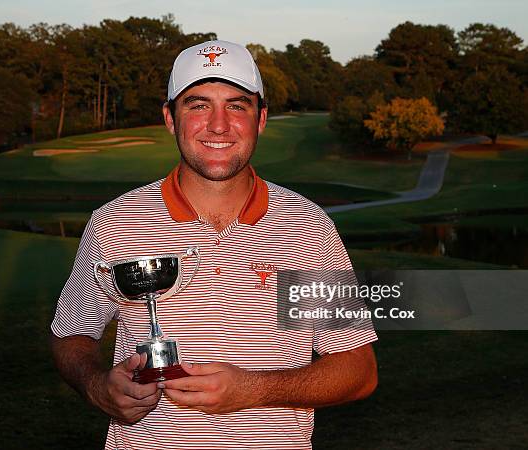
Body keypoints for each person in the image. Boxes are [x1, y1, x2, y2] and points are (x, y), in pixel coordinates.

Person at [51, 39, 378, 450]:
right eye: (198, 104)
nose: (219, 124)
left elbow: (358, 370)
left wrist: (254, 390)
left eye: (237, 105)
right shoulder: (114, 223)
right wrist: (97, 385)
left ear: (260, 119)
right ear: (171, 119)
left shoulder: (308, 227)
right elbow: (71, 335)